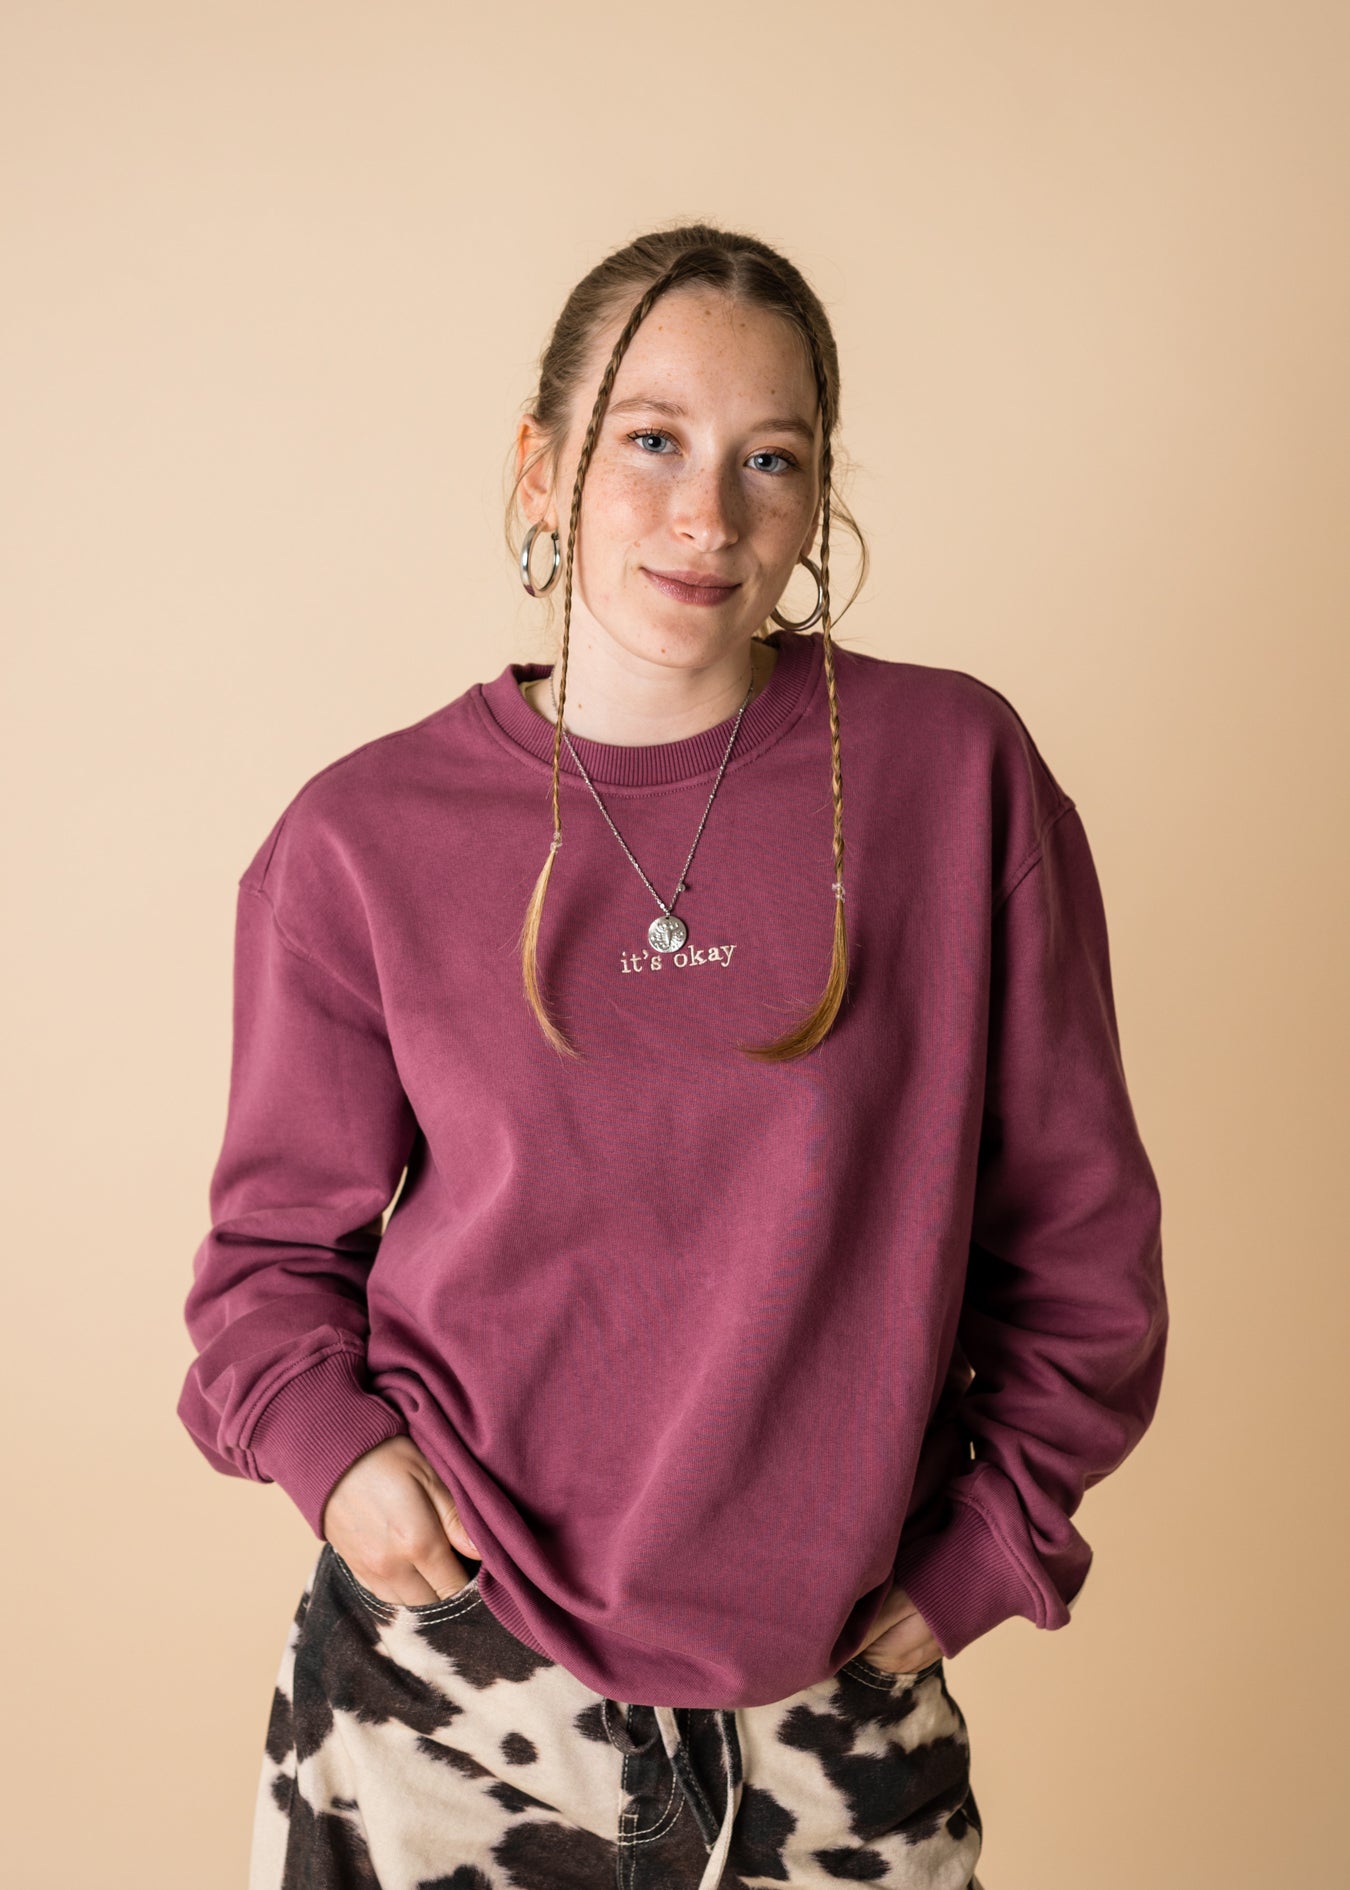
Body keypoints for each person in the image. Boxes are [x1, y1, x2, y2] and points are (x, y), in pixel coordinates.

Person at [177, 222, 1168, 1890]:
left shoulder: (952, 775)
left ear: (818, 495)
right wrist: (342, 1467)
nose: (709, 515)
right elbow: (266, 1268)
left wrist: (989, 1549)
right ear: (541, 465)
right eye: (651, 440)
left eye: (769, 458)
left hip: (833, 1704)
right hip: (437, 1696)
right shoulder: (360, 837)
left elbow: (1082, 1237)